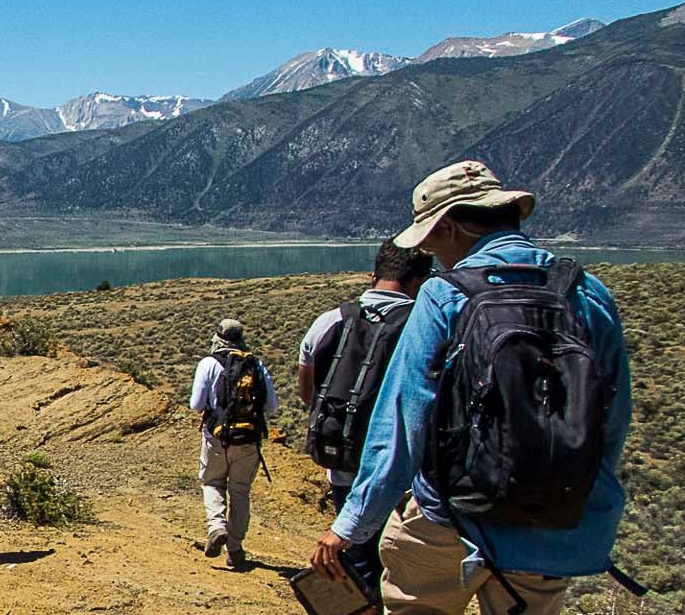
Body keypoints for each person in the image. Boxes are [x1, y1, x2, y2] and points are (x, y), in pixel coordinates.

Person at [307, 161, 634, 614]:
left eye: (433, 237)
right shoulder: (587, 293)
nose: (435, 254)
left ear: (450, 225)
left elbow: (403, 421)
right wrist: (574, 491)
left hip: (449, 521)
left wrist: (352, 525)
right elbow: (612, 419)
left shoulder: (445, 295)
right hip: (552, 529)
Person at [296, 240, 429, 592]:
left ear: (373, 274)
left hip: (342, 462)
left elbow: (309, 394)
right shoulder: (425, 327)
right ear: (420, 281)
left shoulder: (329, 321)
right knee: (403, 572)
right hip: (405, 476)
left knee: (360, 567)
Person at [189, 318, 278, 569]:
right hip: (248, 439)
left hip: (217, 438)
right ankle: (235, 550)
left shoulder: (209, 363)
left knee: (212, 482)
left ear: (217, 337)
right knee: (240, 491)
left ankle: (216, 527)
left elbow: (196, 404)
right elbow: (272, 406)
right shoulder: (255, 364)